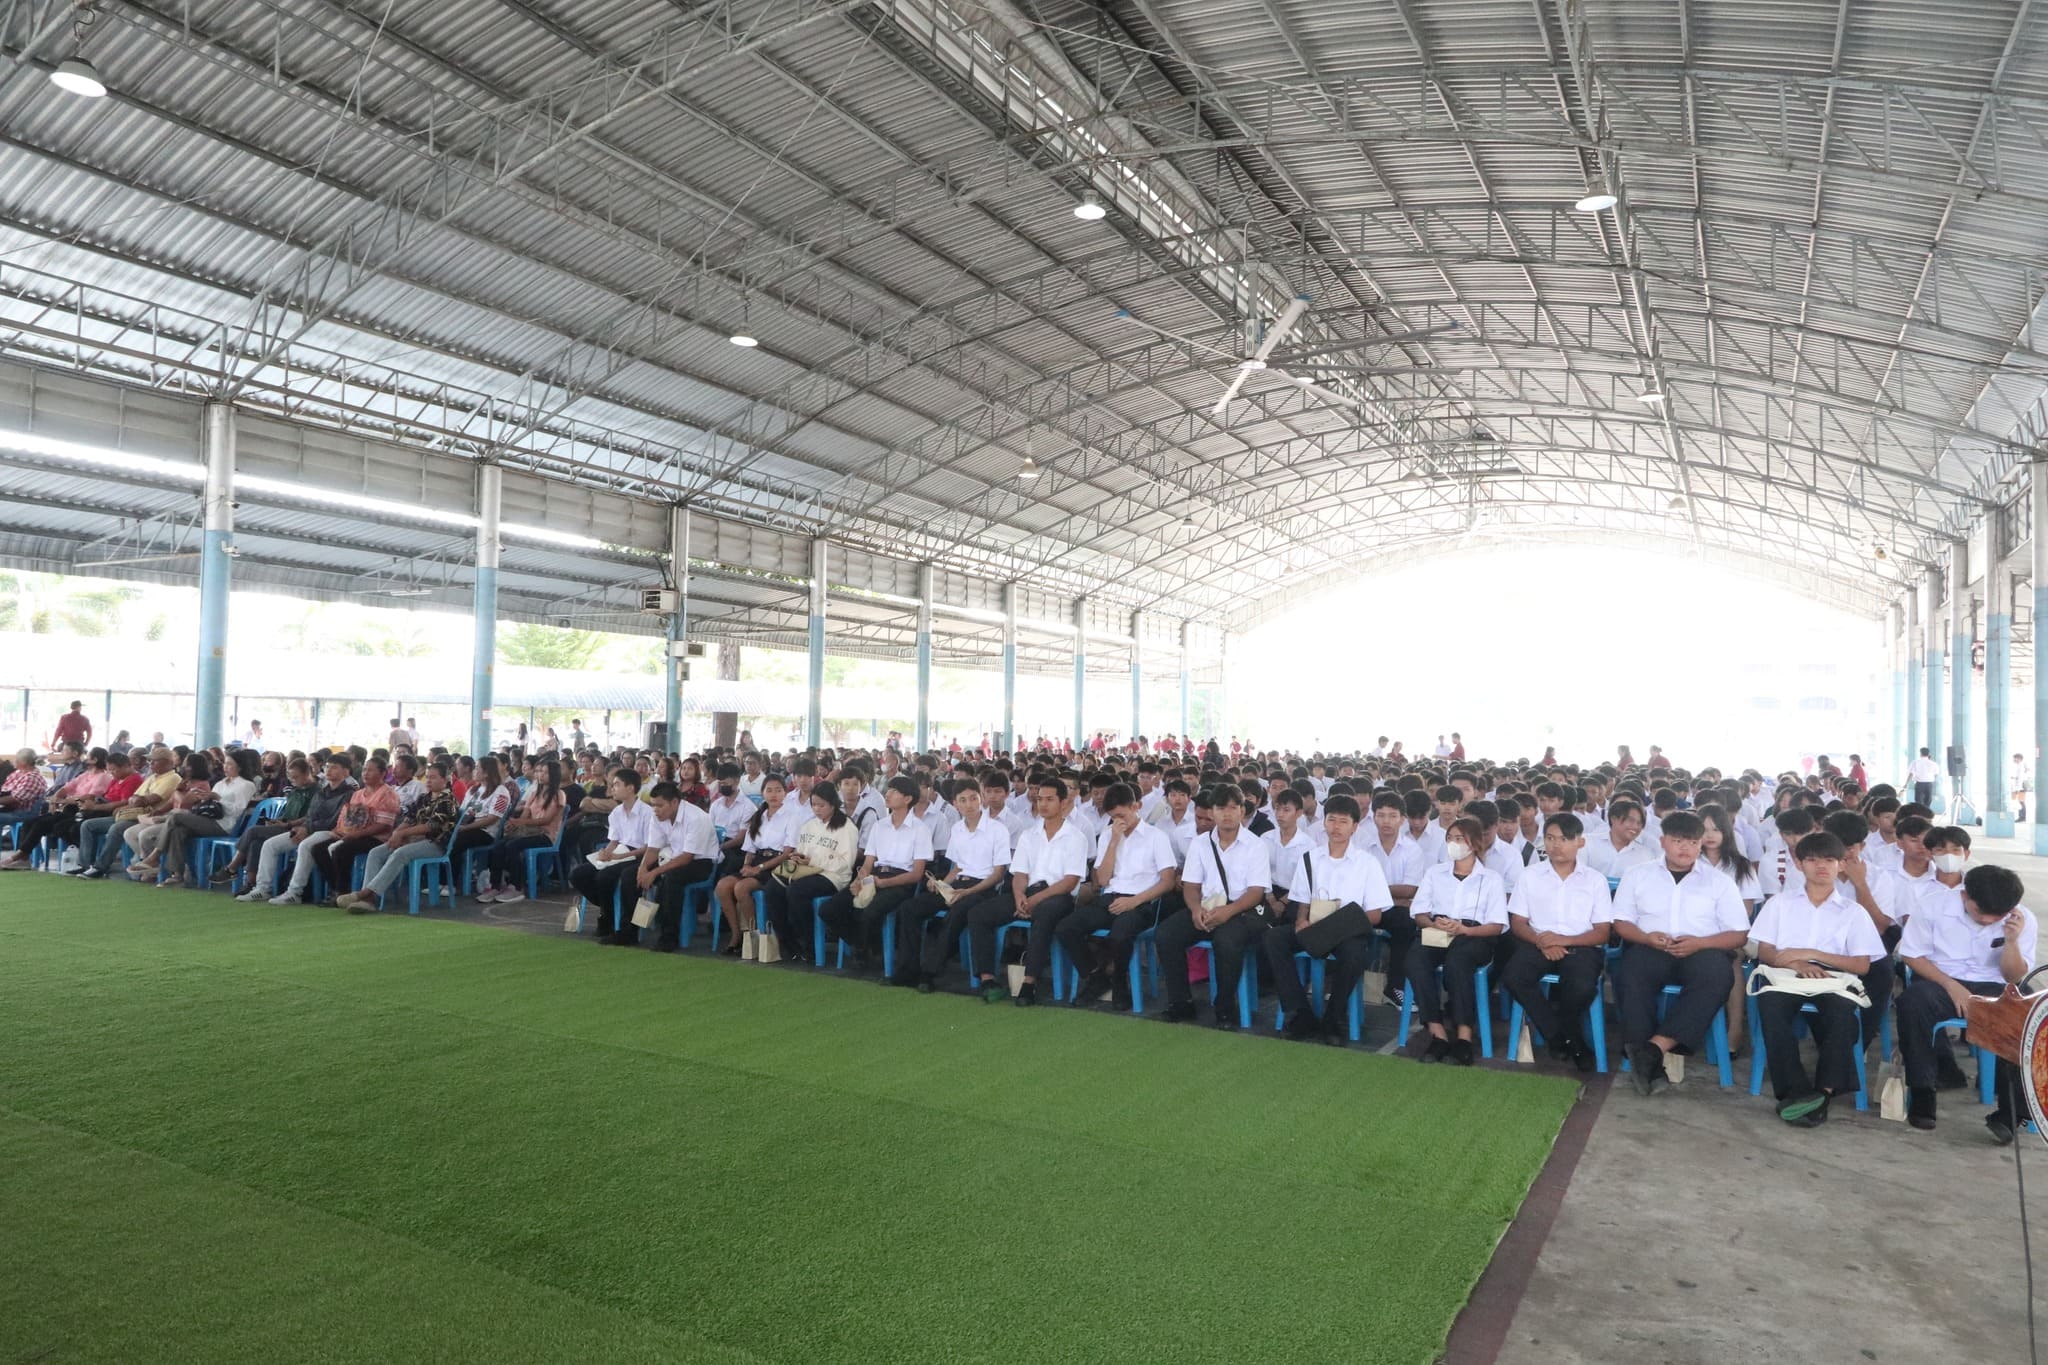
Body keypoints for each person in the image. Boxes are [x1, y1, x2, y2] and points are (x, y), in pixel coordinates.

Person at [1749, 831, 1885, 1126]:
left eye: (1829, 860)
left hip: (1833, 978)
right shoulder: (1780, 903)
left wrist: (1813, 954)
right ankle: (1796, 1091)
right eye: (1812, 860)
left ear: (1841, 864)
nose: (1821, 866)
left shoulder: (1853, 912)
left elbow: (1861, 965)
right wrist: (1798, 963)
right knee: (1771, 1007)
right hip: (1787, 974)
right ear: (1799, 864)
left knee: (1841, 1014)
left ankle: (1823, 1091)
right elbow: (1765, 952)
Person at [1611, 811, 1750, 1094]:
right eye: (1678, 841)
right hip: (1651, 946)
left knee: (1718, 977)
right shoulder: (1638, 875)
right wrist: (1646, 937)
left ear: (1700, 845)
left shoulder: (1719, 882)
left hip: (1703, 949)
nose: (1685, 848)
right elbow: (1621, 922)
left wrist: (1701, 943)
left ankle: (1653, 1048)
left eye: (1693, 842)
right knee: (1631, 973)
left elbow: (1739, 933)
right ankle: (1648, 1058)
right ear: (1662, 841)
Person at [1897, 862, 2034, 1142]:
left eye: (1996, 916)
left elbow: (2014, 976)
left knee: (2029, 1014)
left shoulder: (2023, 919)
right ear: (1964, 895)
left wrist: (2011, 942)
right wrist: (1951, 986)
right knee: (1912, 1003)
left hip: (1995, 984)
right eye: (1980, 912)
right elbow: (1912, 955)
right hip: (1940, 979)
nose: (1987, 920)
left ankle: (2011, 1113)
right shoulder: (1933, 906)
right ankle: (1923, 1092)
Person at [1262, 793, 1394, 1044]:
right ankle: (1299, 1012)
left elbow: (1375, 915)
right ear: (1324, 823)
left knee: (1354, 954)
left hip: (1347, 932)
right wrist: (1301, 920)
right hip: (1313, 926)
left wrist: (1336, 924)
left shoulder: (1367, 863)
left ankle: (1333, 1018)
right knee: (1273, 938)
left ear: (1355, 827)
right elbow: (1302, 899)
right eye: (1332, 820)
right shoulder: (1311, 858)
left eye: (1344, 822)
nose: (1336, 827)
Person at [1502, 812, 1612, 1071]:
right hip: (1537, 942)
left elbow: (1602, 932)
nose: (1556, 845)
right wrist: (1542, 942)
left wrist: (1564, 940)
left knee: (1581, 986)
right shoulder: (1529, 875)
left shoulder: (1595, 880)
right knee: (1514, 977)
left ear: (1580, 842)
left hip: (1581, 946)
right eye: (1550, 838)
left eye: (1564, 839)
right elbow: (1518, 922)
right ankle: (1562, 1037)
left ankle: (1565, 1035)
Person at [1154, 786, 1271, 1028]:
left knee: (1226, 941)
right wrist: (1195, 910)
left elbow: (1256, 893)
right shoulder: (1200, 843)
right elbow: (1191, 886)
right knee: (1166, 934)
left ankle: (1225, 1007)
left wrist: (1228, 911)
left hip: (1241, 910)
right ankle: (1181, 1002)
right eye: (1221, 808)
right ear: (1213, 812)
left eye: (1233, 808)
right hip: (1206, 907)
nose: (1227, 814)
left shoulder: (1256, 845)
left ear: (1242, 811)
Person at [1055, 781, 1179, 1009]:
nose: (1118, 821)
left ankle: (1120, 982)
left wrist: (1134, 901)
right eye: (1113, 817)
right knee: (1066, 927)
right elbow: (1102, 880)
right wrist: (1114, 841)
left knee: (1120, 934)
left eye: (1122, 815)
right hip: (1111, 897)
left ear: (1136, 807)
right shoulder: (1108, 835)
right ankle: (1096, 976)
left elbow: (1168, 881)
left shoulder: (1156, 836)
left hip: (1143, 901)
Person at [1406, 815, 1508, 1064]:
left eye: (1459, 839)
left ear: (1474, 843)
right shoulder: (1435, 872)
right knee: (1415, 959)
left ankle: (1464, 1036)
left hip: (1474, 935)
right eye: (1450, 838)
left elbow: (1496, 926)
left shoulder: (1491, 879)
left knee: (1458, 962)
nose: (1453, 843)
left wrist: (1464, 930)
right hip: (1439, 929)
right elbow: (1419, 912)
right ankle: (1437, 1032)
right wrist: (1432, 924)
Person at [901, 778, 1012, 991]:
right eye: (963, 800)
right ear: (955, 804)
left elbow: (998, 874)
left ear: (981, 799)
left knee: (957, 911)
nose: (969, 804)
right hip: (958, 885)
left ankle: (930, 972)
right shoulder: (957, 829)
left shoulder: (998, 830)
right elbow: (957, 868)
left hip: (983, 888)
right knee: (910, 908)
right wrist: (941, 884)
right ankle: (908, 969)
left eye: (973, 798)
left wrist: (968, 891)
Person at [994, 777, 1090, 1007]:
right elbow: (1019, 873)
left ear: (1063, 802)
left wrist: (1035, 900)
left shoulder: (1076, 837)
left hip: (1059, 896)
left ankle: (1029, 981)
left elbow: (1070, 882)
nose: (1043, 804)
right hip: (1028, 893)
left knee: (1044, 914)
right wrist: (1020, 896)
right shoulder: (1029, 834)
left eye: (1049, 799)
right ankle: (986, 979)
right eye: (1040, 799)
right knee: (980, 913)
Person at [818, 775, 932, 966]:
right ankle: (861, 944)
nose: (888, 794)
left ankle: (867, 949)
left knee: (870, 911)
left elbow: (916, 874)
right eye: (888, 789)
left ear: (907, 799)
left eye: (894, 791)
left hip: (901, 882)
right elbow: (868, 863)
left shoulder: (920, 829)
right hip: (875, 878)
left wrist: (884, 883)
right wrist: (858, 881)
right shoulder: (879, 826)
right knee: (829, 909)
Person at [337, 763, 460, 914]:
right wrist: (397, 833)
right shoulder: (424, 798)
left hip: (436, 844)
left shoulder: (448, 800)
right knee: (376, 853)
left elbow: (431, 826)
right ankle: (367, 899)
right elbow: (409, 819)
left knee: (400, 853)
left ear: (445, 779)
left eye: (433, 777)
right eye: (427, 777)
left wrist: (403, 834)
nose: (428, 781)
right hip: (413, 839)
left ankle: (367, 895)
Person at [759, 782, 861, 963]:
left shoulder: (846, 827)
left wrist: (812, 861)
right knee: (772, 889)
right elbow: (802, 851)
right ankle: (787, 942)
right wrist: (797, 857)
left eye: (821, 805)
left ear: (833, 804)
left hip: (832, 876)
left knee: (796, 891)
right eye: (814, 805)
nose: (817, 809)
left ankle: (810, 944)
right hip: (805, 872)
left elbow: (846, 864)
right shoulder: (809, 825)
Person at [238, 755, 357, 901]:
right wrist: (302, 827)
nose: (328, 770)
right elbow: (310, 815)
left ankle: (294, 892)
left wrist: (308, 829)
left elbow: (334, 821)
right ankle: (262, 889)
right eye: (327, 766)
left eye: (334, 767)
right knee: (270, 845)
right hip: (309, 829)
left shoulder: (349, 794)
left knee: (305, 846)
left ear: (346, 772)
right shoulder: (322, 792)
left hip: (330, 832)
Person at [623, 781, 720, 952]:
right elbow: (653, 848)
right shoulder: (657, 816)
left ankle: (669, 937)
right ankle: (628, 931)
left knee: (672, 879)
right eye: (653, 805)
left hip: (701, 862)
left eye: (660, 805)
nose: (655, 810)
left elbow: (687, 857)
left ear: (674, 802)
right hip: (671, 858)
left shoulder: (696, 818)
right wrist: (643, 869)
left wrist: (654, 873)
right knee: (630, 875)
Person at [146, 749, 259, 888]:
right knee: (177, 831)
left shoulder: (246, 785)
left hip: (225, 825)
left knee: (176, 817)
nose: (225, 767)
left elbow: (238, 811)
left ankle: (155, 855)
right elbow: (211, 805)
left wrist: (218, 798)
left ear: (240, 766)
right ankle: (177, 875)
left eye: (230, 764)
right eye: (225, 763)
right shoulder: (220, 783)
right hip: (209, 819)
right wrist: (204, 798)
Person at [712, 774, 794, 954]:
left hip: (776, 865)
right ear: (763, 793)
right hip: (756, 860)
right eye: (769, 790)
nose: (774, 794)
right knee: (722, 886)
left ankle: (754, 936)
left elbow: (787, 853)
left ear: (785, 793)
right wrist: (747, 865)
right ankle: (736, 934)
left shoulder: (791, 817)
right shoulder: (759, 816)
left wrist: (759, 868)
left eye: (778, 790)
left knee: (741, 888)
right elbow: (750, 848)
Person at [569, 769, 654, 938]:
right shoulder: (616, 812)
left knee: (605, 876)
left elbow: (648, 847)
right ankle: (608, 907)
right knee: (578, 874)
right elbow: (614, 841)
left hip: (639, 855)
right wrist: (605, 853)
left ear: (630, 788)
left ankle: (607, 918)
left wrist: (618, 857)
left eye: (616, 784)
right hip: (620, 851)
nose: (612, 788)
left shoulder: (647, 813)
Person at [303, 756, 398, 903]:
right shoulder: (358, 794)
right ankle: (336, 889)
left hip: (376, 838)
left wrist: (356, 835)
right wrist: (339, 831)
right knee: (318, 849)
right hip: (353, 834)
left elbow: (384, 825)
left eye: (370, 770)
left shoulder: (388, 794)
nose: (365, 773)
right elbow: (348, 819)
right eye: (364, 770)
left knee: (341, 850)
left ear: (382, 773)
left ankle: (342, 891)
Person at [76, 747, 180, 879]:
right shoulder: (152, 777)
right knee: (87, 825)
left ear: (167, 762)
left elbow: (149, 799)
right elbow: (135, 798)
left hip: (150, 817)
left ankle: (100, 867)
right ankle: (85, 865)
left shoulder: (172, 778)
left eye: (154, 761)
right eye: (150, 761)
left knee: (117, 828)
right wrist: (136, 801)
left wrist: (137, 800)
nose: (150, 764)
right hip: (134, 814)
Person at [478, 758, 565, 906]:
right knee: (499, 846)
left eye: (545, 772)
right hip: (530, 832)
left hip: (546, 835)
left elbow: (546, 820)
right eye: (539, 771)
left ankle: (516, 886)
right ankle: (495, 886)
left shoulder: (559, 794)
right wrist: (514, 824)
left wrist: (520, 822)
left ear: (554, 775)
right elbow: (525, 816)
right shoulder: (534, 794)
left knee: (513, 846)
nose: (540, 775)